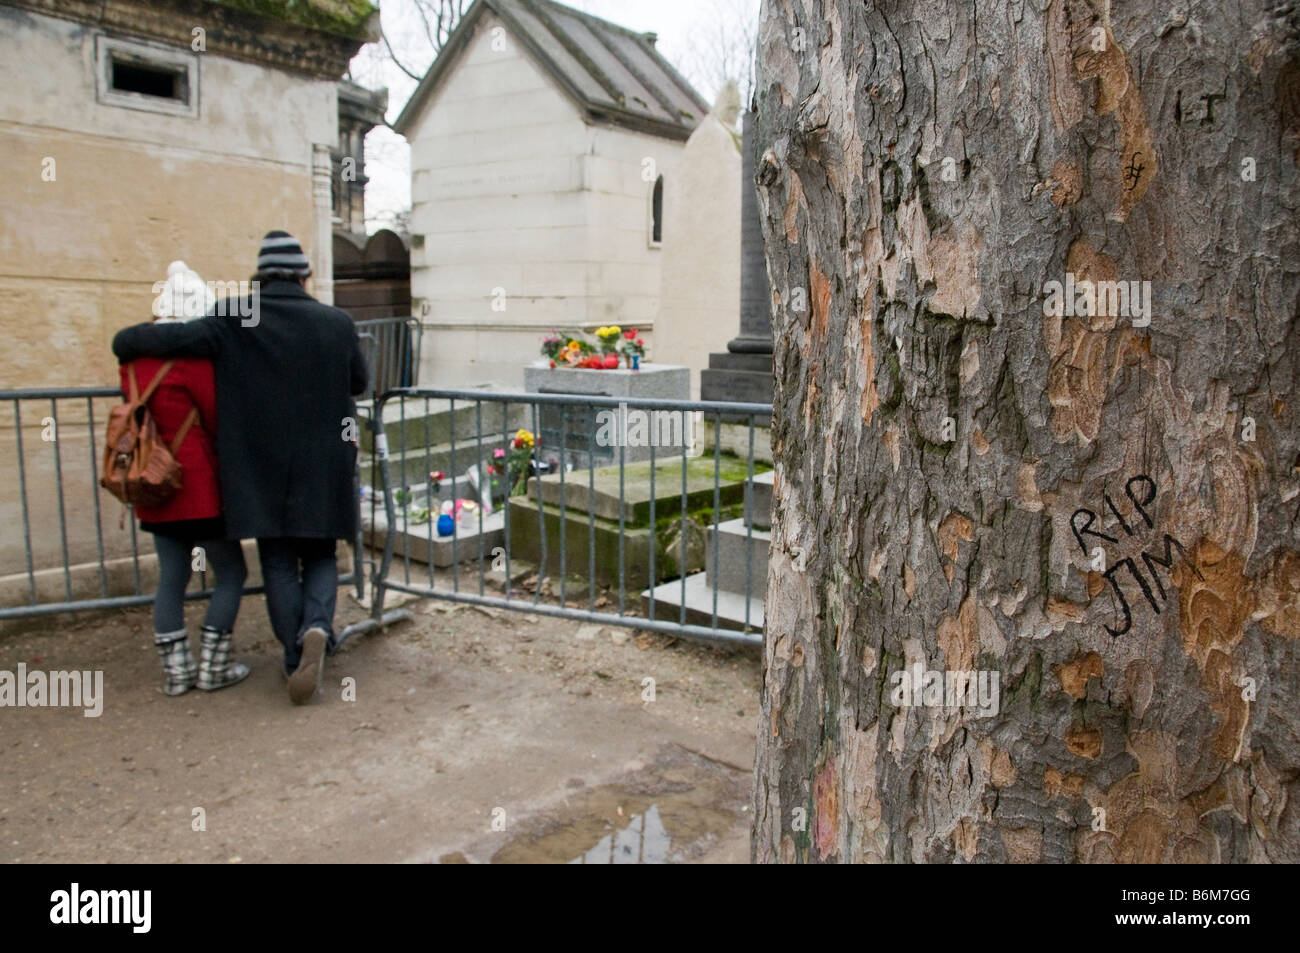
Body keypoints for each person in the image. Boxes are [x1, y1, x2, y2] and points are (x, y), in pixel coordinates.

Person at [113, 232, 368, 704]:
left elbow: (169, 337)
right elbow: (359, 380)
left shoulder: (237, 314)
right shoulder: (335, 321)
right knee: (319, 555)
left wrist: (123, 339)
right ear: (304, 274)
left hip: (260, 464)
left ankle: (295, 659)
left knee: (275, 558)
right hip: (324, 460)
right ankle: (316, 626)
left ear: (260, 275)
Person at [130, 261, 249, 695]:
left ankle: (177, 673)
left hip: (154, 484)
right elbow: (217, 417)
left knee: (171, 578)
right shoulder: (193, 361)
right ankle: (213, 668)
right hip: (198, 486)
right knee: (231, 572)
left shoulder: (133, 362)